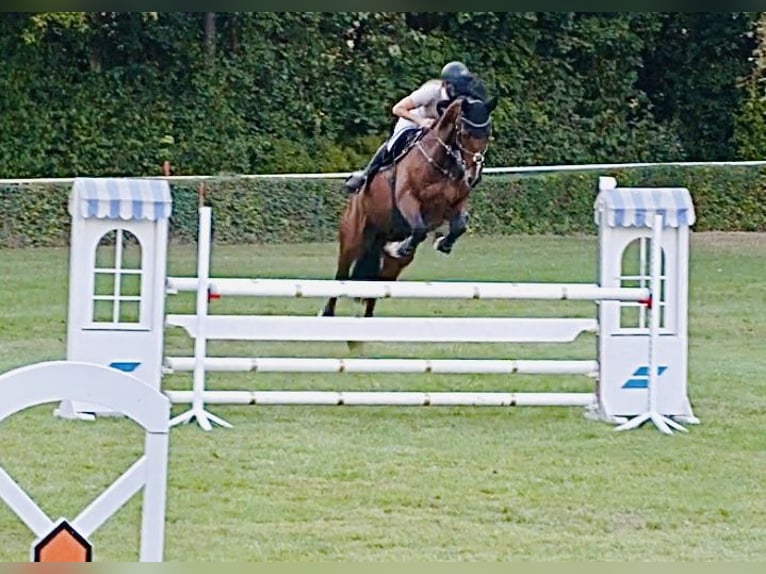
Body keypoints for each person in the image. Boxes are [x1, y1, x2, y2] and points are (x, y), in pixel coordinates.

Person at [344, 61, 473, 194]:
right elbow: (397, 109)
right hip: (412, 121)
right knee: (393, 144)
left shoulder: (462, 98)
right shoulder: (431, 92)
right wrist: (420, 121)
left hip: (437, 129)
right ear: (448, 84)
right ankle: (365, 175)